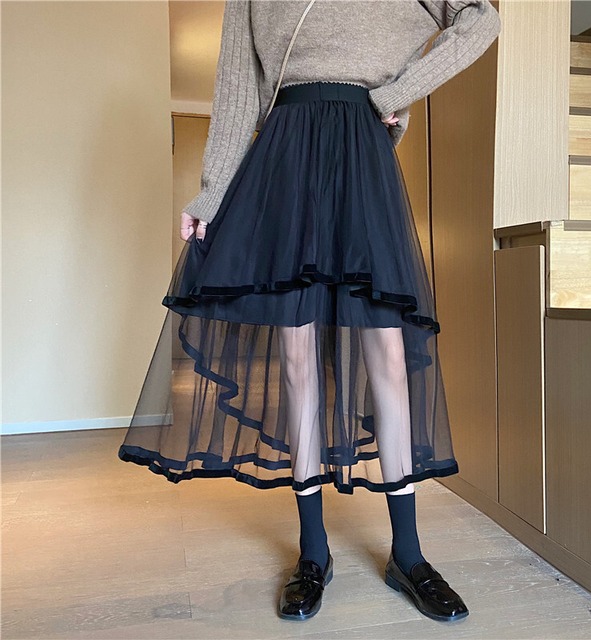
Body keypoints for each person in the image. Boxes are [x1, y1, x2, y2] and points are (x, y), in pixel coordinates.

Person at [118, 0, 501, 624]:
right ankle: (313, 552)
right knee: (296, 357)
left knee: (387, 353)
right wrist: (211, 192)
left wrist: (394, 95)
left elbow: (480, 18)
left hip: (361, 151)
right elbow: (238, 89)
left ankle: (408, 554)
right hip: (284, 156)